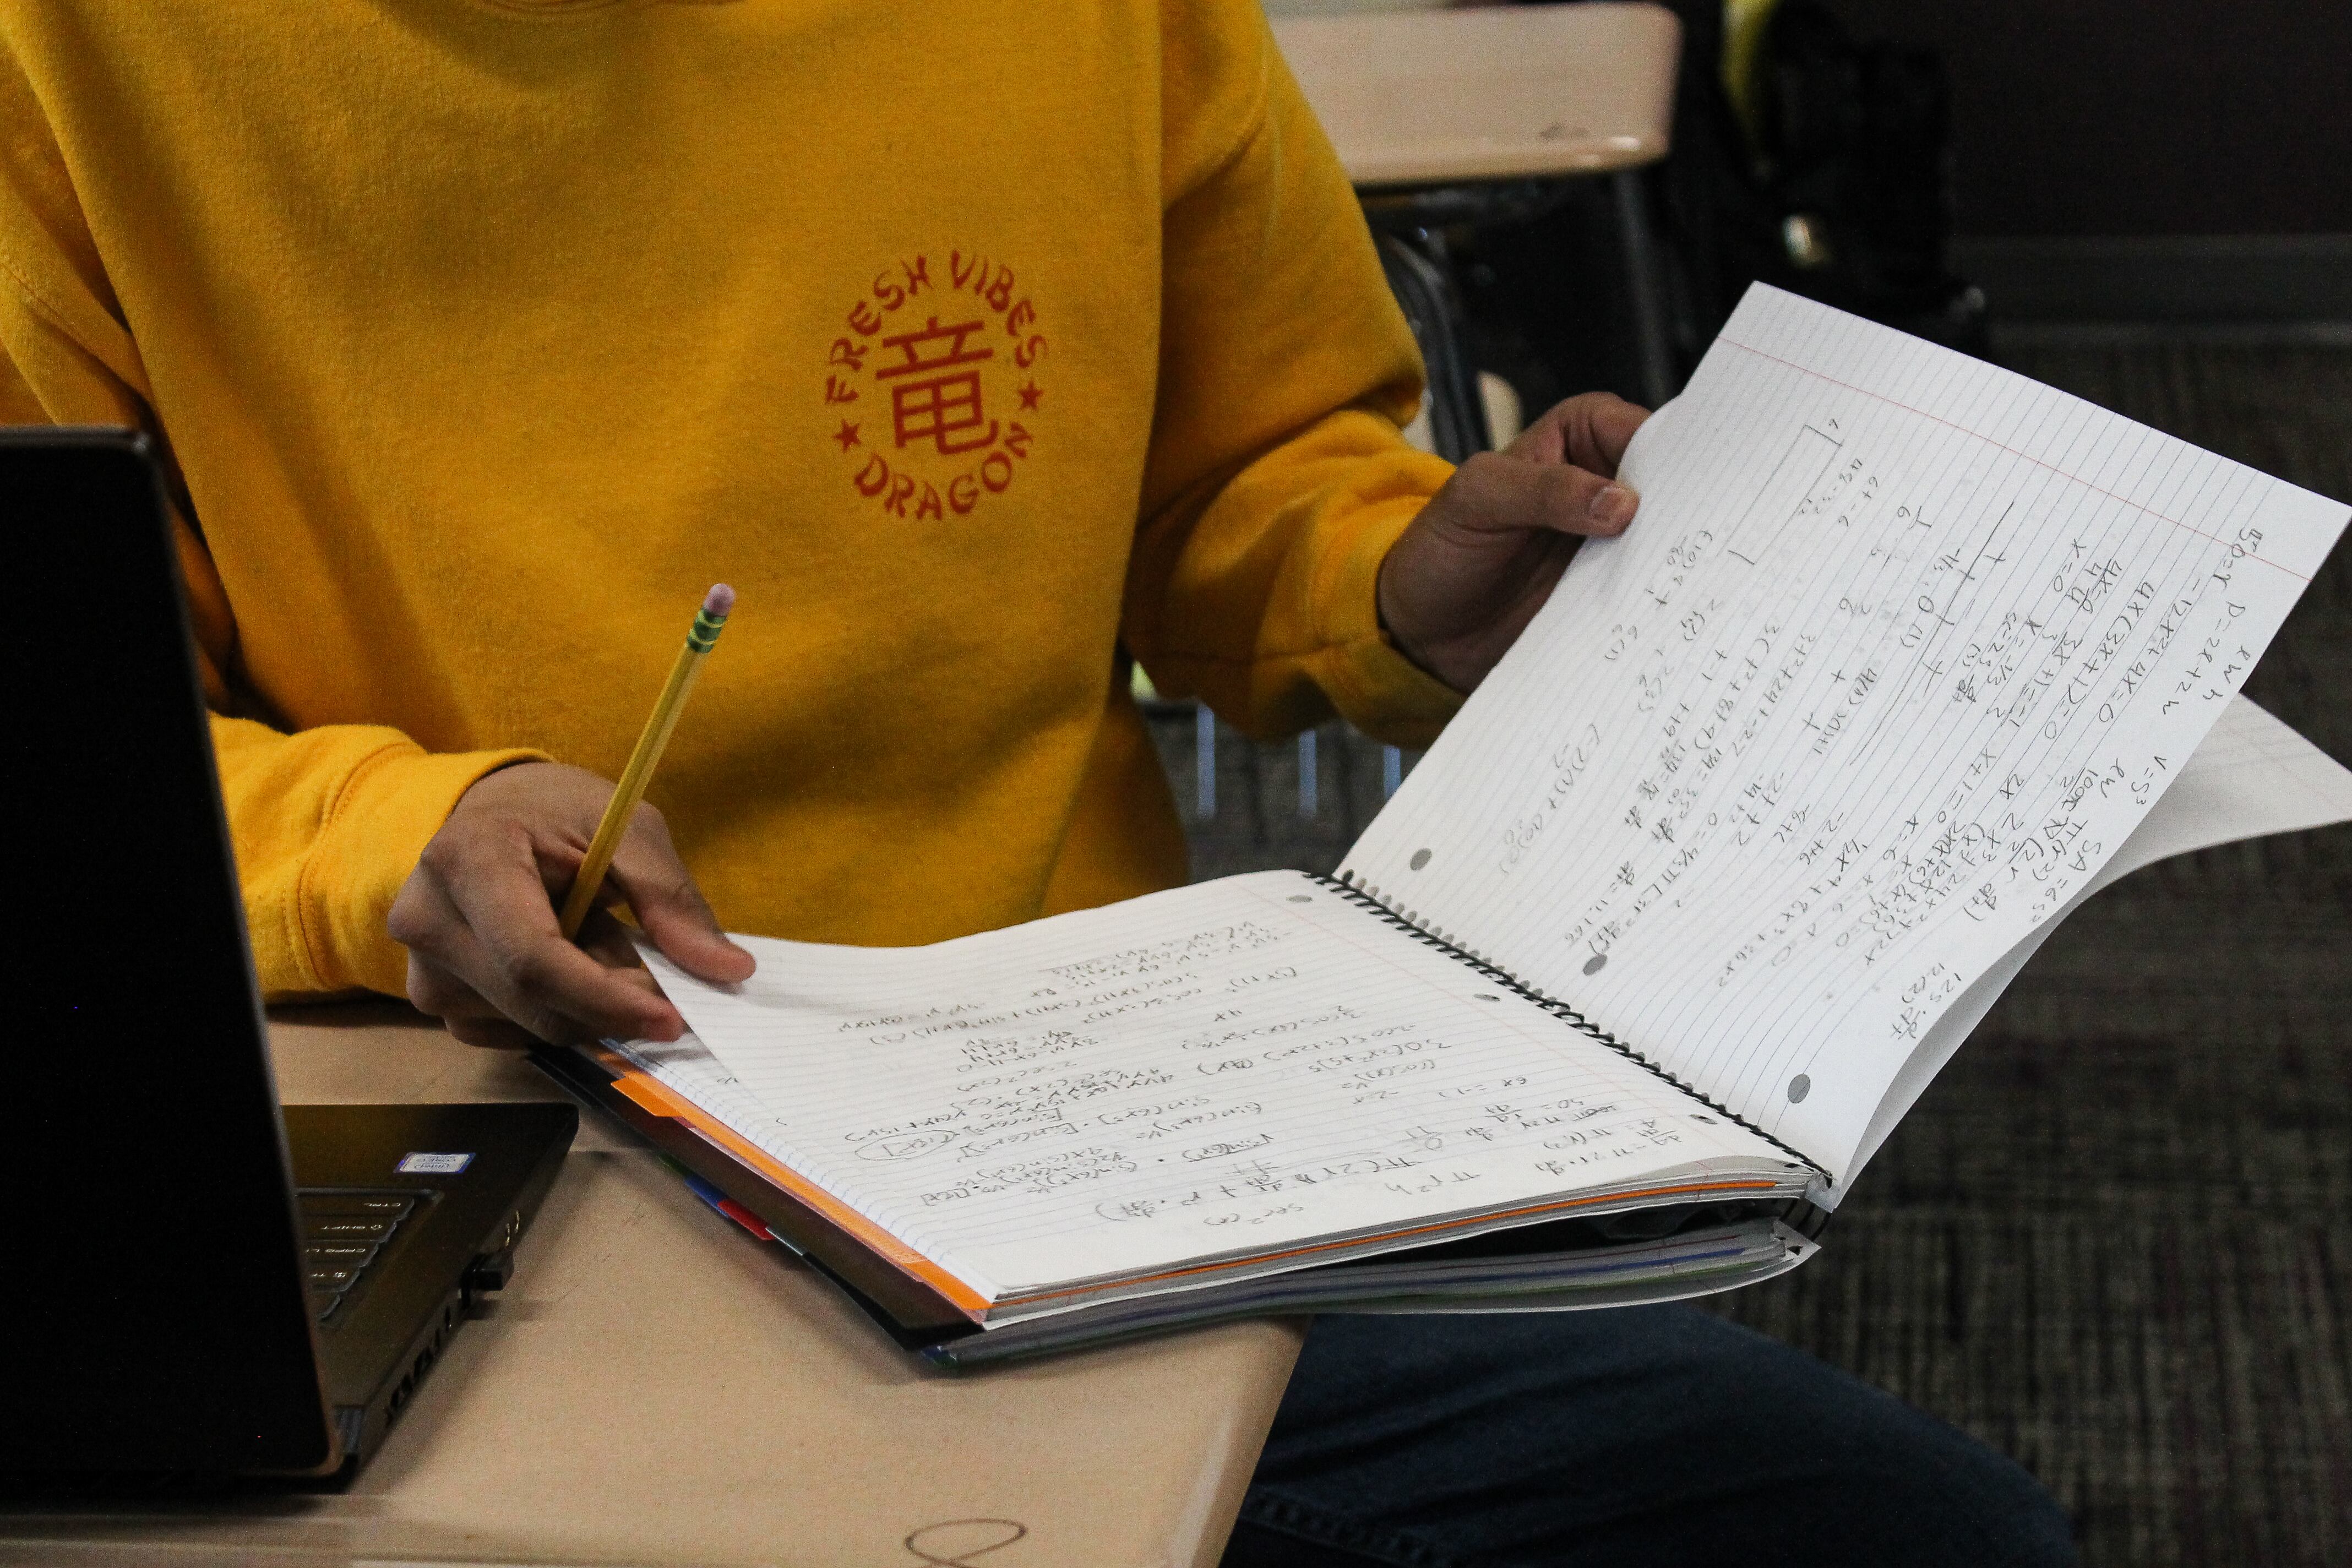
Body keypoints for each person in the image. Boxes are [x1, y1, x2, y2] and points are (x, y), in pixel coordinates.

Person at [0, 1, 2072, 1560]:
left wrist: (1380, 576)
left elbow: (1235, 469)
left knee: (1897, 1530)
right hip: (487, 1151)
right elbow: (69, 741)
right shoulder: (75, 57)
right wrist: (394, 838)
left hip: (1070, 1136)